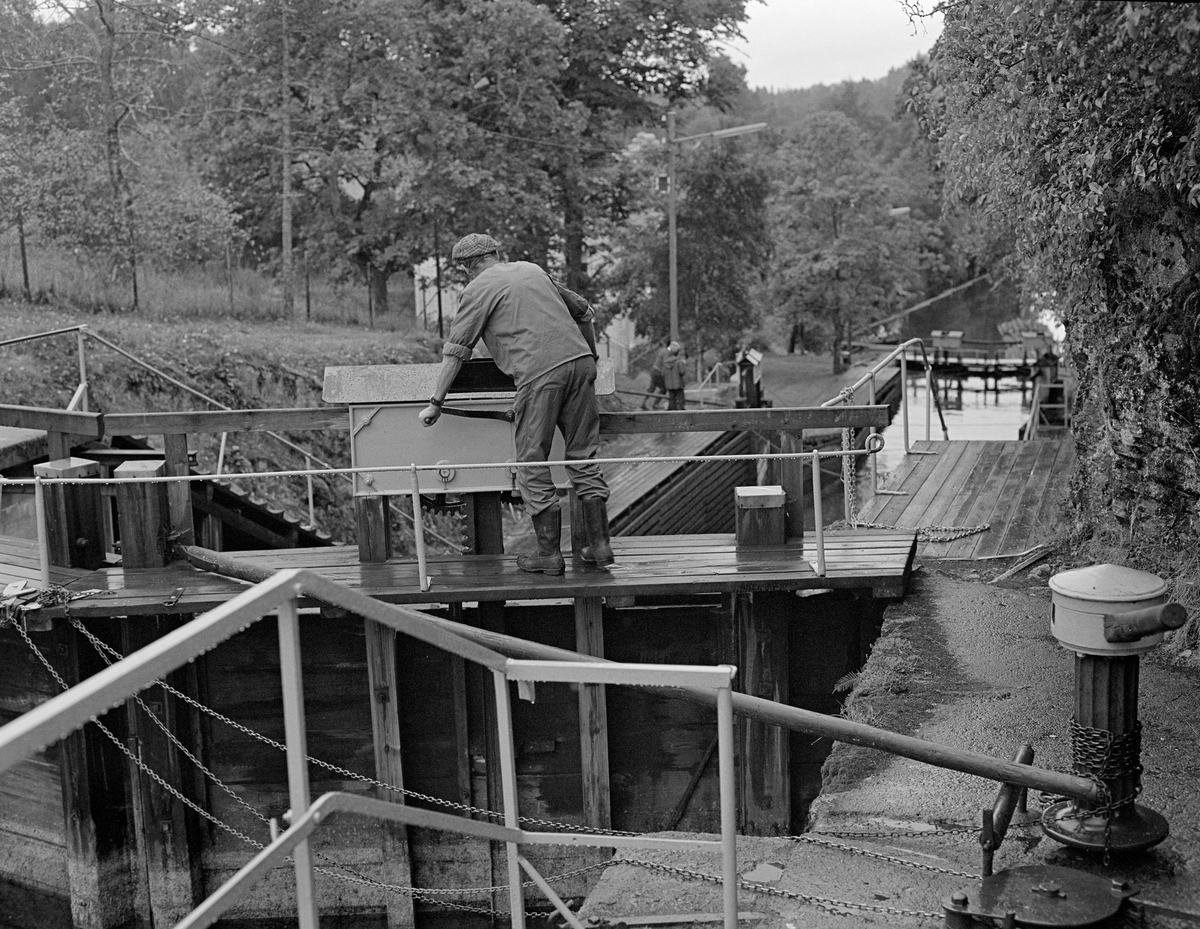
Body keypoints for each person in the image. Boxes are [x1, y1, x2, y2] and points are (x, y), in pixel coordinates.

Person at [418, 233, 613, 575]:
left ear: (466, 267)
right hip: (580, 364)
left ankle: (549, 556)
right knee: (583, 456)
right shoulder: (532, 269)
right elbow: (584, 312)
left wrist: (435, 402)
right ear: (497, 253)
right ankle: (600, 546)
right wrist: (591, 358)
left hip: (539, 375)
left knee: (532, 462)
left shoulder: (477, 289)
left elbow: (456, 351)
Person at [642, 342, 669, 410]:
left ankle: (643, 403)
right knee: (664, 389)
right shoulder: (666, 352)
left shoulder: (662, 351)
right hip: (658, 372)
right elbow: (665, 363)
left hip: (654, 370)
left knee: (652, 388)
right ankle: (655, 404)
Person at [662, 340, 687, 410]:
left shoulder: (665, 362)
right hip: (678, 384)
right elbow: (682, 372)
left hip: (669, 385)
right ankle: (682, 412)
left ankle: (671, 412)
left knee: (671, 399)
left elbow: (663, 373)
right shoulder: (679, 362)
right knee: (681, 398)